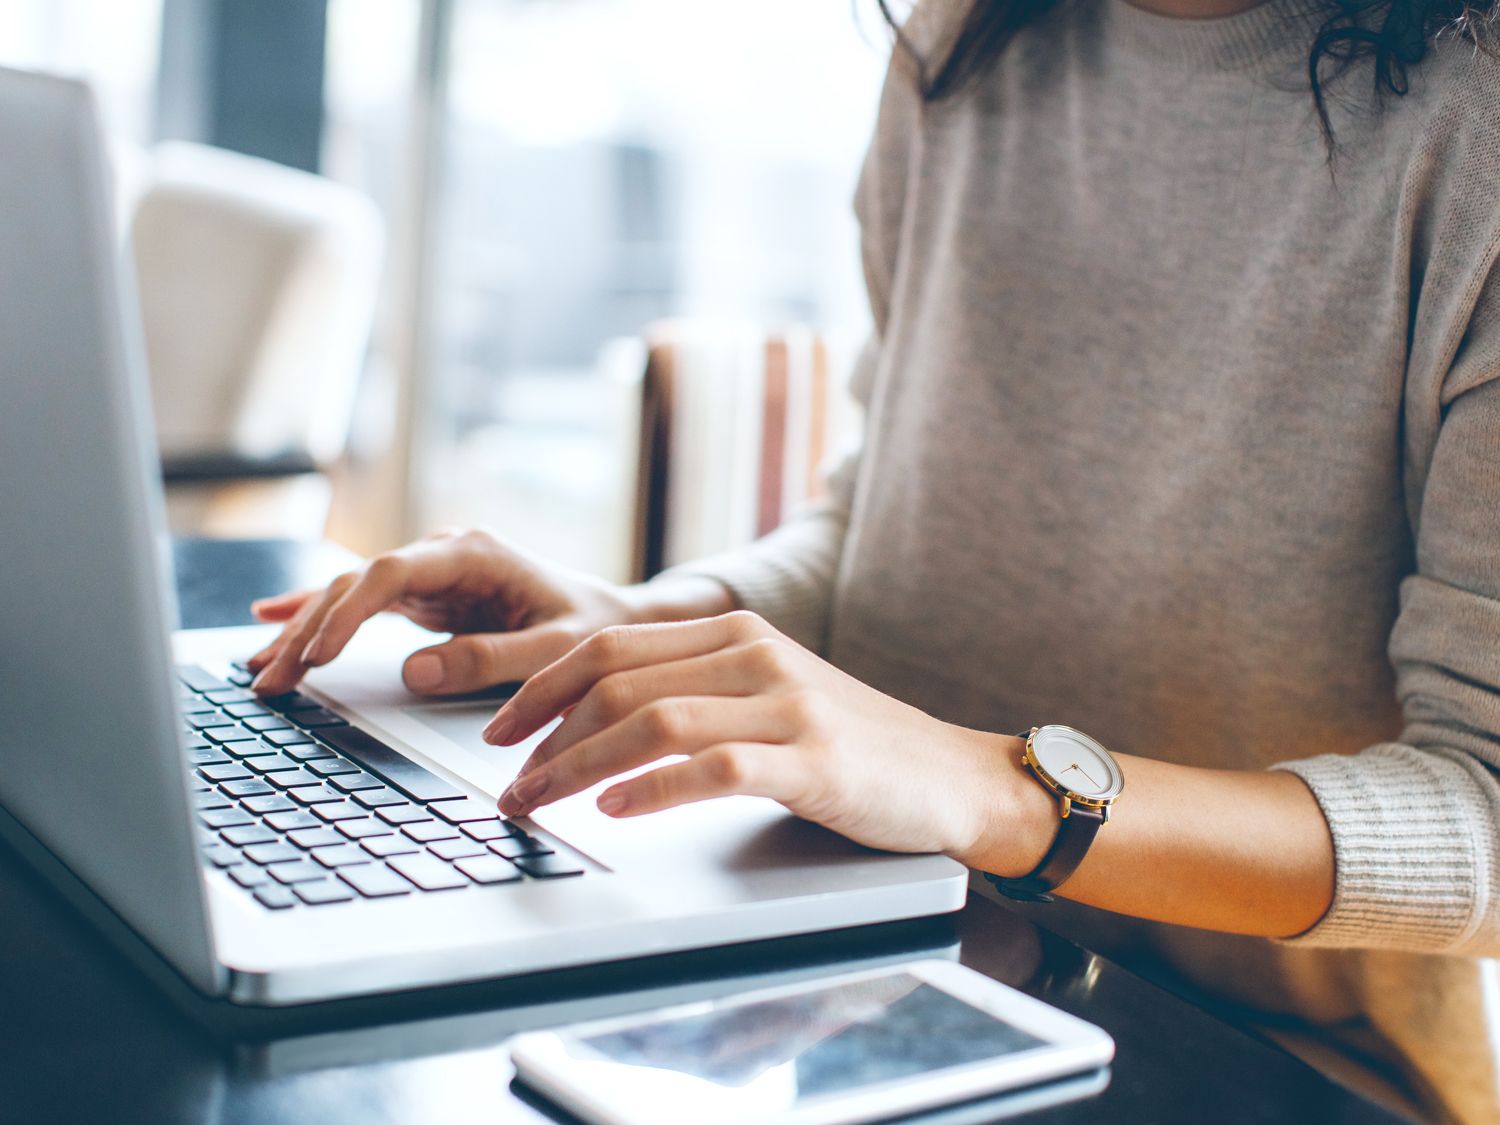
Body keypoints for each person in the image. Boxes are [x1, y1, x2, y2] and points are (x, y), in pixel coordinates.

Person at [248, 0, 1500, 1119]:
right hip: (872, 965)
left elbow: (1485, 815)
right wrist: (652, 621)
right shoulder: (962, 43)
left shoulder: (1472, 129)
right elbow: (885, 520)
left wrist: (1001, 792)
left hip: (1261, 1064)